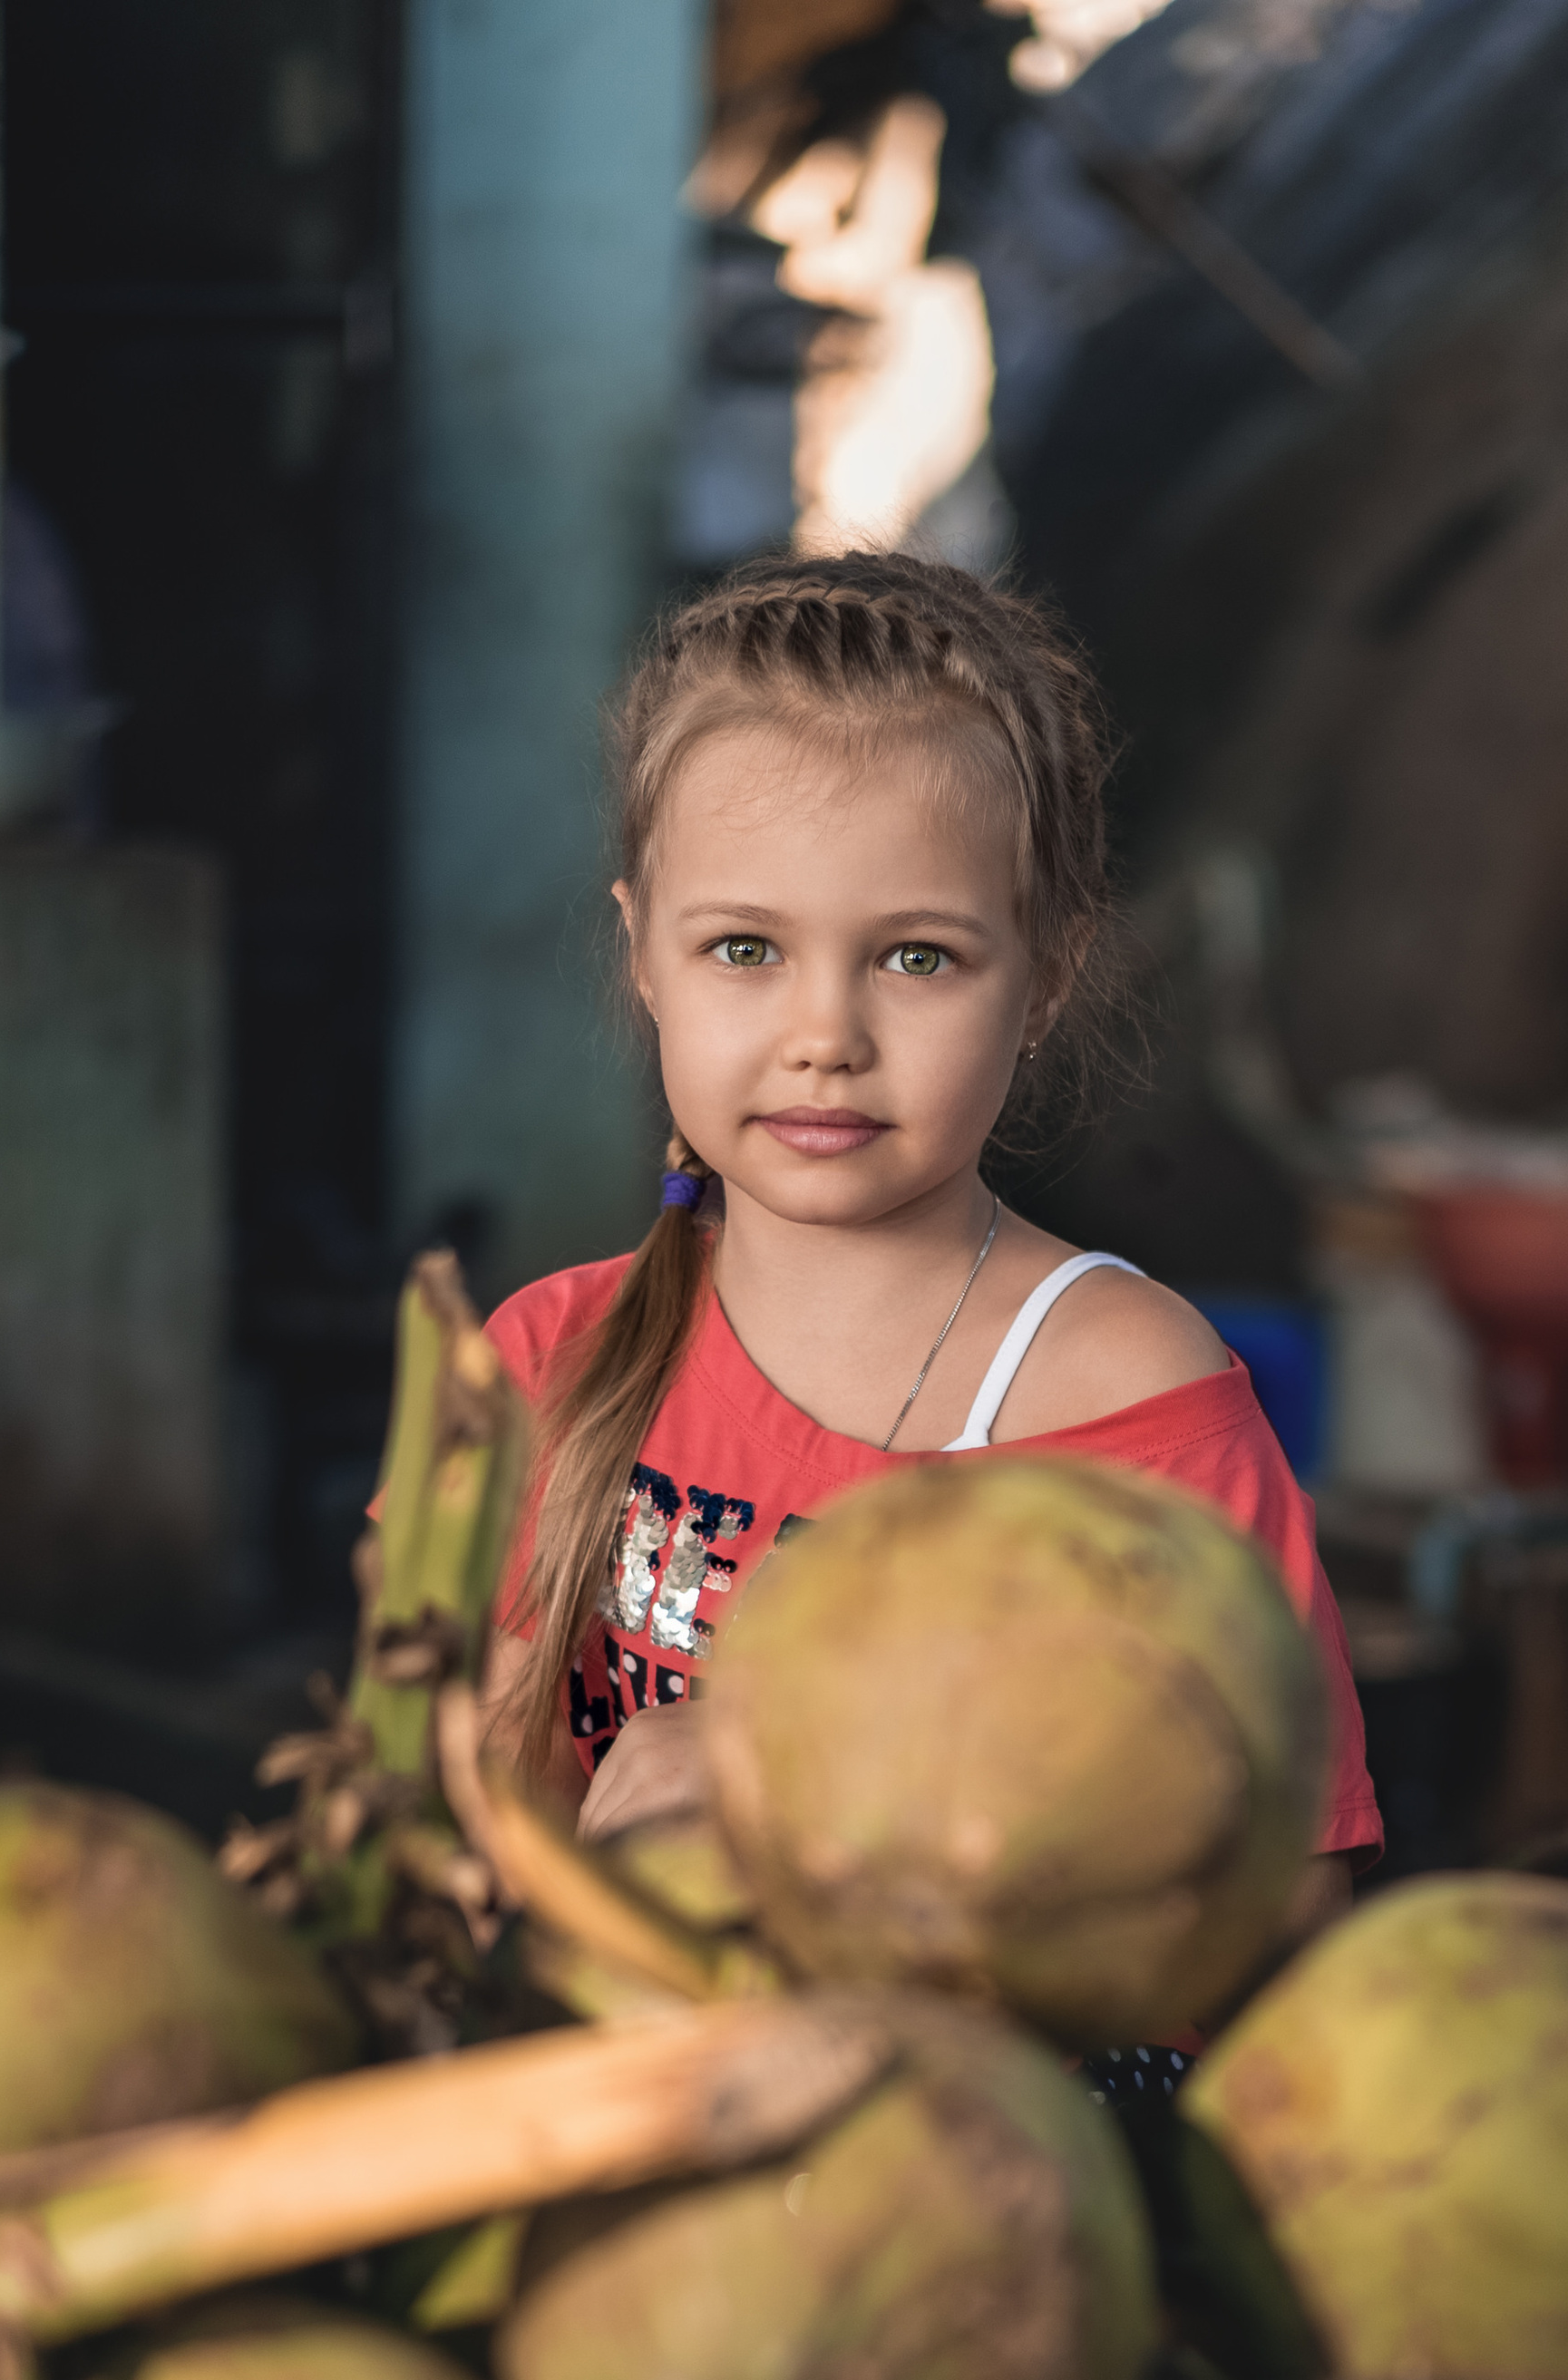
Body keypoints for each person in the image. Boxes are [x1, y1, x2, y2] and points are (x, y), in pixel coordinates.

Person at [482, 549, 1380, 1957]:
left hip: (1007, 2137)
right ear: (642, 953)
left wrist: (804, 1797)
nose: (825, 1034)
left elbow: (1287, 1922)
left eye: (916, 958)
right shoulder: (548, 1361)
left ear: (1049, 976)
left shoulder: (1118, 1402)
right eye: (742, 950)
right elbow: (454, 1836)